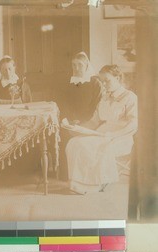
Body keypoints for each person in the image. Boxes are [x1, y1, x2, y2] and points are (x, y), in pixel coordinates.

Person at [66, 64, 138, 194]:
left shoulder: (130, 97)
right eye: (102, 81)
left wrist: (114, 134)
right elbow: (95, 121)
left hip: (121, 136)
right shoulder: (104, 97)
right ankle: (77, 183)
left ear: (117, 78)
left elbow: (133, 124)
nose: (104, 85)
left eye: (107, 81)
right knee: (74, 142)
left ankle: (93, 184)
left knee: (87, 145)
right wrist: (78, 127)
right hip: (102, 132)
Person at [58, 52, 103, 180]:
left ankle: (84, 176)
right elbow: (63, 103)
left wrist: (82, 121)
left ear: (87, 66)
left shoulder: (95, 83)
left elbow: (97, 106)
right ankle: (67, 175)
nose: (76, 68)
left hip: (89, 121)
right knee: (63, 135)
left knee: (82, 140)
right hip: (70, 121)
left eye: (79, 65)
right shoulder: (69, 82)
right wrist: (68, 119)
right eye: (73, 65)